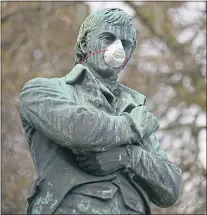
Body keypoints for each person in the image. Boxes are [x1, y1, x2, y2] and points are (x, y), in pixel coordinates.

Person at [20, 8, 182, 214]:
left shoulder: (136, 107)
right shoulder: (42, 90)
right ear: (85, 43)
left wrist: (128, 156)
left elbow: (171, 187)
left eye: (126, 43)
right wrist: (133, 127)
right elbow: (78, 130)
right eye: (108, 38)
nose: (118, 48)